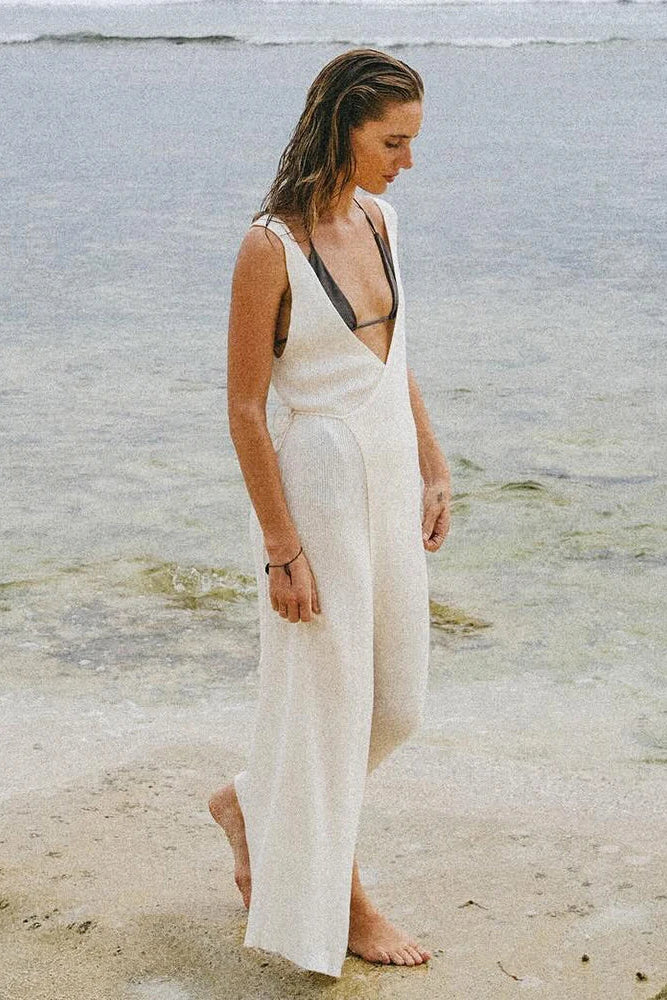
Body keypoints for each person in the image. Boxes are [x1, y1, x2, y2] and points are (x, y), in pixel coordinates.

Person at [209, 47, 451, 979]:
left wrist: (432, 463)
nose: (406, 160)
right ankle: (344, 903)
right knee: (332, 707)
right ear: (341, 127)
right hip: (317, 486)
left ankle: (246, 801)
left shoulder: (381, 220)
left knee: (397, 704)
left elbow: (396, 357)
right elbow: (242, 405)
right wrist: (279, 547)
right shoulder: (268, 246)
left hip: (389, 470)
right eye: (392, 141)